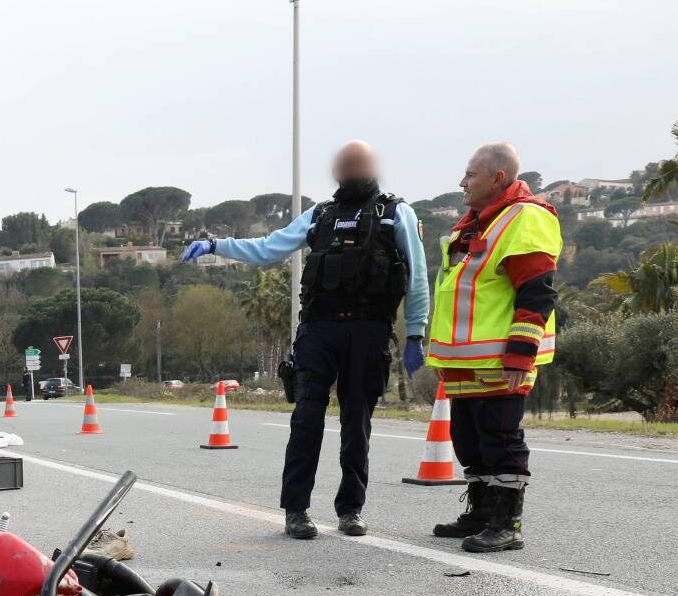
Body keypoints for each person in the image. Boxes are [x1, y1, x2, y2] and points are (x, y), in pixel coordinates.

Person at [184, 140, 428, 540]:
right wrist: (216, 245)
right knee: (306, 419)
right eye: (345, 164)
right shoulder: (320, 215)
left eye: (358, 163)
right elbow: (267, 248)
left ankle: (351, 510)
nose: (350, 170)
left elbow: (417, 275)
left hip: (368, 330)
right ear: (336, 172)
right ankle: (296, 510)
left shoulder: (395, 213)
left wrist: (416, 331)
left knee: (356, 423)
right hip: (318, 330)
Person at [423, 142, 561, 552]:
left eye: (470, 175)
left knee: (501, 438)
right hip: (466, 360)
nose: (462, 182)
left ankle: (507, 523)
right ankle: (481, 513)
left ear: (498, 178)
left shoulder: (525, 218)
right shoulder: (476, 221)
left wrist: (521, 352)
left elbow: (536, 292)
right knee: (469, 439)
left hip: (502, 358)